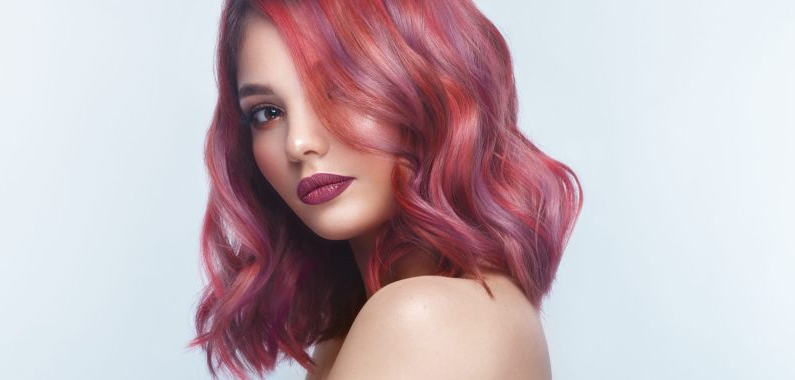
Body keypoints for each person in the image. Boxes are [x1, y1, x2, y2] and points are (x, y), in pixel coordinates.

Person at [190, 0, 583, 379]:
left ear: (435, 85)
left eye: (339, 90)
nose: (298, 143)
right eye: (267, 112)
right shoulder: (354, 332)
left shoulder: (422, 319)